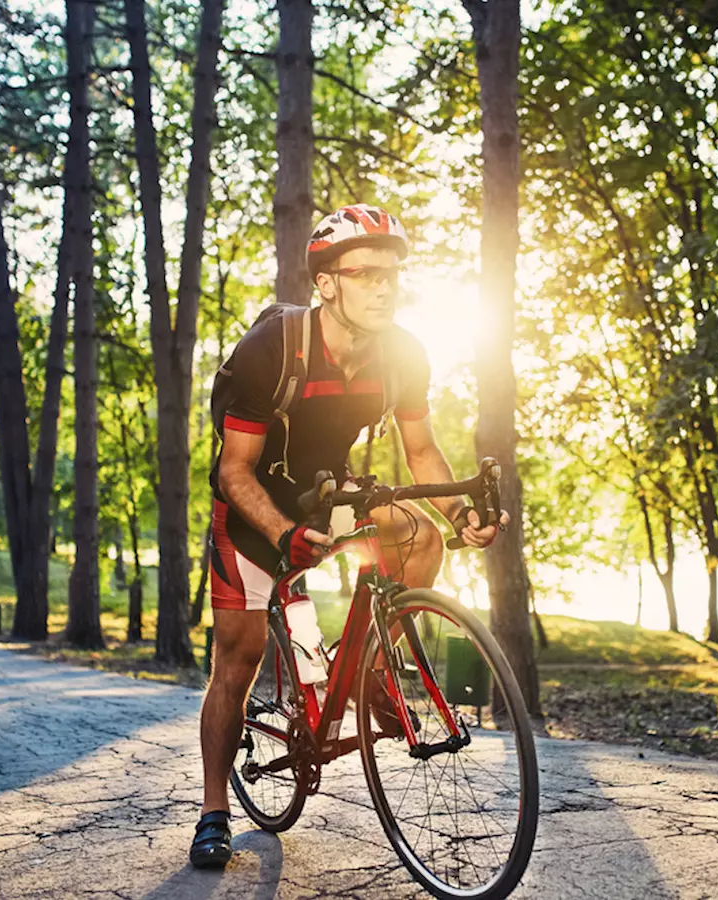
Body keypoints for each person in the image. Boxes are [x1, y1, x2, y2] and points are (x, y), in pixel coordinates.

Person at [190, 204, 507, 868]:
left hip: (328, 494)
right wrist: (283, 537)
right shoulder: (269, 353)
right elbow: (234, 471)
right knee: (238, 662)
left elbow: (421, 453)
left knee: (421, 539)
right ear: (327, 284)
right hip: (253, 512)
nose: (384, 286)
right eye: (365, 273)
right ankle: (214, 809)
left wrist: (459, 515)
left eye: (393, 273)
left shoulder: (403, 354)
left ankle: (363, 671)